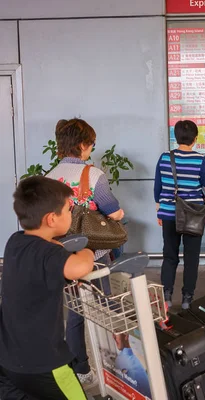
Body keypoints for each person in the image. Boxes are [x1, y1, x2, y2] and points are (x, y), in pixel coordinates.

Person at [47, 118, 125, 386]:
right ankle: (119, 367)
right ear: (82, 145)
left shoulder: (48, 177)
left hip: (62, 255)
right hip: (94, 254)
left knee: (75, 308)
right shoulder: (93, 175)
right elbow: (113, 211)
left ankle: (79, 366)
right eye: (91, 144)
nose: (91, 149)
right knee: (103, 303)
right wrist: (120, 214)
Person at [0, 176, 94, 399]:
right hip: (44, 364)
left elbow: (40, 265)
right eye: (68, 210)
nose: (71, 214)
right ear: (52, 219)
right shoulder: (49, 255)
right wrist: (88, 251)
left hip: (8, 360)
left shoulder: (15, 241)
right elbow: (79, 267)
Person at [154, 120, 205, 310]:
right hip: (193, 214)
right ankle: (187, 299)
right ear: (195, 138)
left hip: (169, 214)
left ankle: (167, 296)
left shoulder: (164, 158)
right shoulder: (199, 160)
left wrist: (160, 210)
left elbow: (158, 188)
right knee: (191, 258)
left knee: (169, 256)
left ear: (176, 138)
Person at [113, 333, 151, 398]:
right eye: (113, 333)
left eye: (116, 332)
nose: (114, 337)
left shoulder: (124, 360)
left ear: (126, 336)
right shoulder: (131, 358)